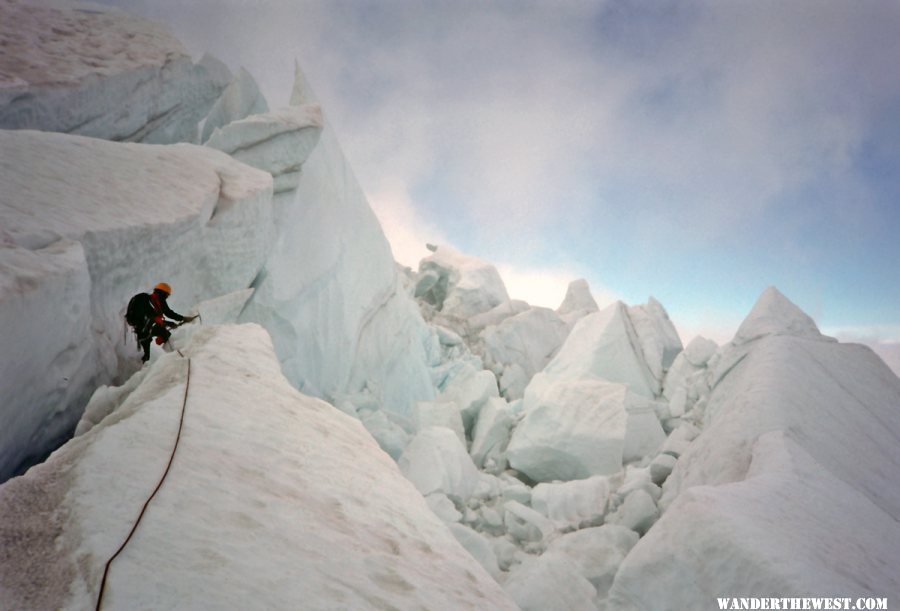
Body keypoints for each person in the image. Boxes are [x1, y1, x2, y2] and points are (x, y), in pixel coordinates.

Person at [126, 283, 195, 362]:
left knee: (165, 334)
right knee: (147, 346)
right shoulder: (143, 299)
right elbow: (143, 315)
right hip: (142, 327)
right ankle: (148, 365)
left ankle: (169, 358)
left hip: (150, 325)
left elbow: (168, 313)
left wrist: (182, 318)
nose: (166, 297)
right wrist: (165, 322)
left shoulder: (160, 301)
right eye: (166, 295)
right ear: (162, 293)